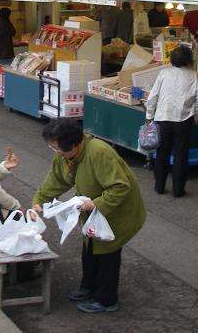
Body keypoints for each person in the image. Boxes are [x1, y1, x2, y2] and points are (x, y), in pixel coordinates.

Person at [32, 119, 145, 314]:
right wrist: (40, 200)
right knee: (90, 246)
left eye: (58, 149)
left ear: (75, 144)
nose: (56, 152)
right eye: (53, 148)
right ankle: (88, 287)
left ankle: (106, 299)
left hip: (117, 209)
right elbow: (57, 179)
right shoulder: (66, 154)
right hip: (93, 210)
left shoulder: (99, 152)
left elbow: (120, 187)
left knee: (108, 250)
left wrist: (96, 203)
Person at [145, 45, 198, 197]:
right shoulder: (194, 75)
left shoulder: (164, 73)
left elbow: (153, 96)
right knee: (181, 155)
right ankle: (178, 190)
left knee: (162, 153)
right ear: (188, 60)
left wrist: (149, 116)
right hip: (183, 119)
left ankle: (159, 186)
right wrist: (195, 111)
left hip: (163, 117)